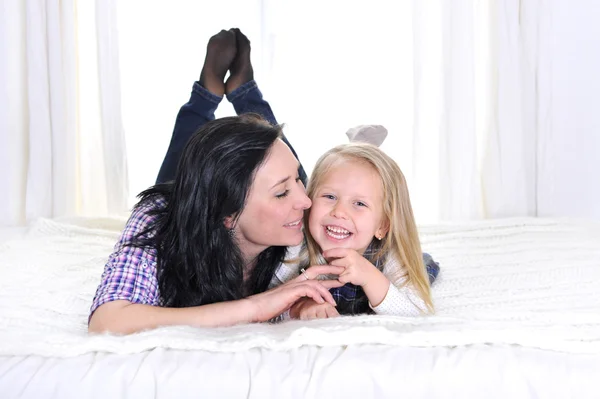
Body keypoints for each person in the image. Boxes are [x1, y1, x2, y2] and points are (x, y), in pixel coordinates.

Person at [88, 29, 343, 334]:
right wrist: (257, 307)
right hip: (182, 197)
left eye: (298, 183)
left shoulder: (305, 212)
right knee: (187, 152)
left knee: (271, 149)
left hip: (241, 184)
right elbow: (108, 321)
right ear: (227, 215)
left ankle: (246, 90)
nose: (306, 200)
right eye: (282, 193)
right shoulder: (157, 221)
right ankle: (205, 94)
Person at [285, 143, 437, 320]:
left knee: (421, 266)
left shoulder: (390, 257)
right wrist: (300, 305)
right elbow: (268, 299)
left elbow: (418, 314)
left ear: (382, 226)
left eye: (359, 203)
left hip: (382, 260)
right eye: (330, 196)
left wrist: (369, 276)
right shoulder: (294, 250)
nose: (339, 212)